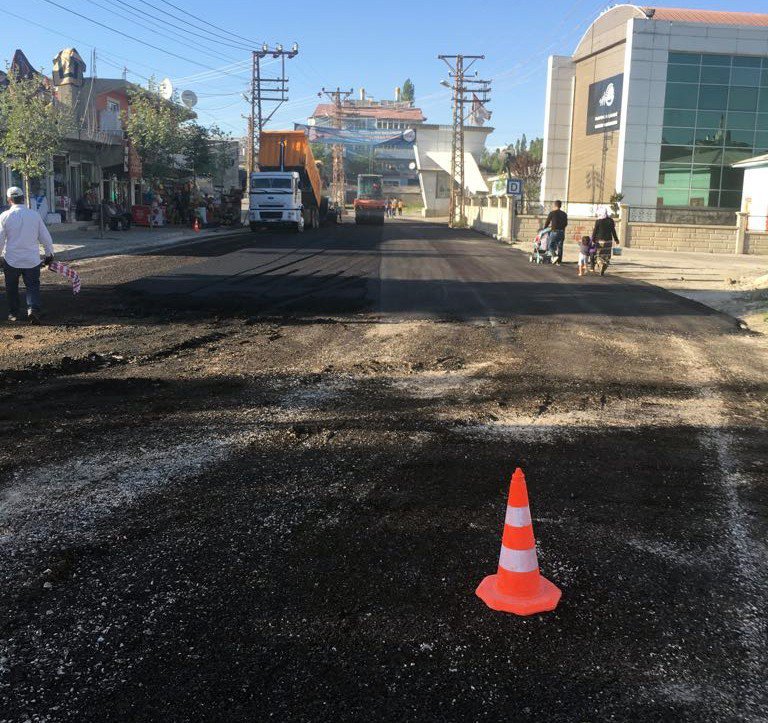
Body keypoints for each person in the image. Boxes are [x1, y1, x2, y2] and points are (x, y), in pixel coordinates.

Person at [0, 186, 55, 323]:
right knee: (32, 286)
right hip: (32, 259)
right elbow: (46, 238)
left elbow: (0, 239)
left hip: (12, 259)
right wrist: (49, 255)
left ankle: (14, 314)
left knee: (11, 287)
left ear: (9, 200)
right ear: (23, 199)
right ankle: (33, 310)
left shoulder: (4, 216)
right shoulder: (34, 215)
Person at [591, 206, 620, 276]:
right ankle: (604, 265)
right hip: (608, 241)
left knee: (598, 255)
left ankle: (601, 264)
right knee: (606, 256)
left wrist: (592, 239)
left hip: (600, 241)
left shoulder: (598, 221)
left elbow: (595, 231)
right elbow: (613, 231)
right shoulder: (611, 220)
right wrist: (616, 239)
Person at [544, 200, 568, 265]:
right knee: (560, 247)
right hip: (562, 232)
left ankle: (554, 256)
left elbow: (547, 222)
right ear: (560, 205)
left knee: (550, 246)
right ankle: (559, 261)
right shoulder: (564, 214)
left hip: (554, 231)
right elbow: (566, 223)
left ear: (555, 205)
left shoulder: (552, 213)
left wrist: (544, 229)